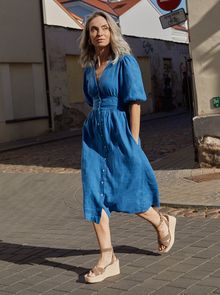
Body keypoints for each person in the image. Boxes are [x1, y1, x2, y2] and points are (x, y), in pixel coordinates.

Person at [79, 11, 176, 284]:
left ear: (112, 31)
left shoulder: (125, 62)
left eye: (104, 28)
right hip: (94, 135)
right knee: (94, 191)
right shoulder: (89, 66)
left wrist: (133, 142)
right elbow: (90, 99)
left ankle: (162, 222)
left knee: (127, 188)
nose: (99, 33)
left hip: (119, 131)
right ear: (88, 35)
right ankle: (107, 257)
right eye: (93, 29)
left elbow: (134, 102)